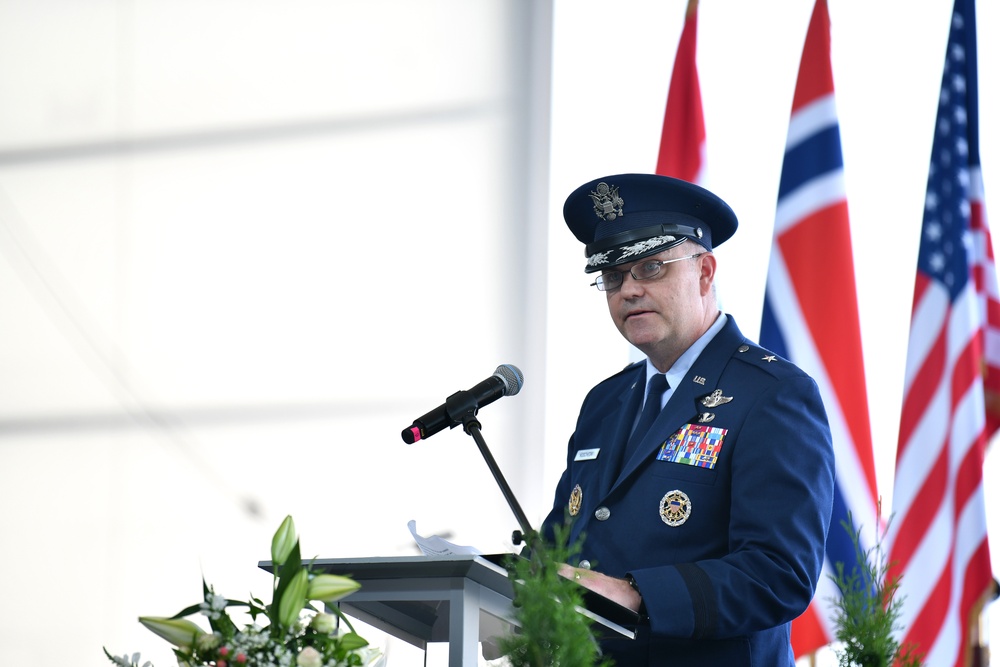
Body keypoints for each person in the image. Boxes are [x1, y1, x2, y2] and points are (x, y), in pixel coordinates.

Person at [541, 173, 835, 666]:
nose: (629, 290)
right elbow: (566, 545)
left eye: (651, 268)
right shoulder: (604, 402)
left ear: (704, 272)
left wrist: (638, 594)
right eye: (613, 277)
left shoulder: (772, 394)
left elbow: (779, 573)